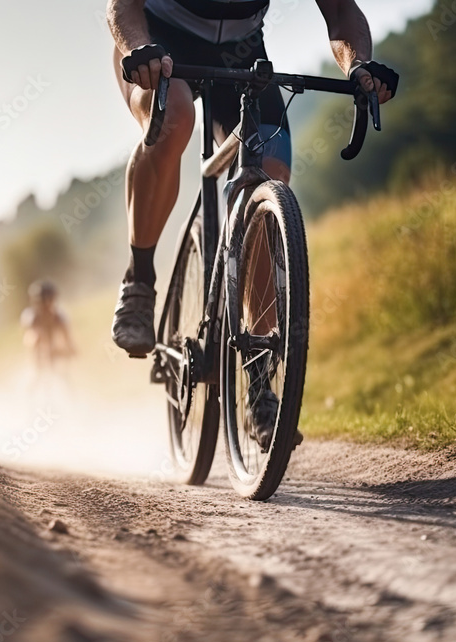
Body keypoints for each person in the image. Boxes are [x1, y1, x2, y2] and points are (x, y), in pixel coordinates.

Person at [107, 0, 394, 448]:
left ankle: (259, 380)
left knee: (271, 170)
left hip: (240, 49)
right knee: (173, 120)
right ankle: (139, 282)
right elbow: (122, 5)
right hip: (158, 41)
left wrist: (359, 65)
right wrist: (139, 46)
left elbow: (340, 11)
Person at [21, 280, 76, 371]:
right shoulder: (31, 318)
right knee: (36, 341)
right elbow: (31, 341)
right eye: (42, 302)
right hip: (37, 362)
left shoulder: (60, 317)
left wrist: (59, 352)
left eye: (50, 300)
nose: (46, 305)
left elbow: (70, 346)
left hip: (56, 361)